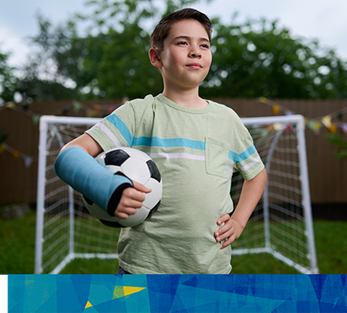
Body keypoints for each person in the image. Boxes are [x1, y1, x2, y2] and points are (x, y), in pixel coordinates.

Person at [54, 8, 267, 274]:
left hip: (213, 270)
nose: (195, 51)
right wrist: (110, 188)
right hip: (144, 268)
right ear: (157, 57)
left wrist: (239, 220)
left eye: (204, 44)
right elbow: (68, 156)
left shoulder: (227, 120)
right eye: (182, 42)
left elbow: (256, 175)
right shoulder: (139, 113)